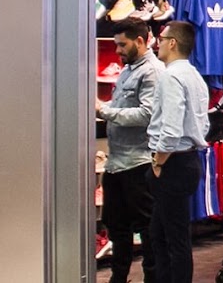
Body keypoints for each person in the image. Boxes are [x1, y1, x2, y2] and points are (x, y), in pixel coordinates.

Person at [96, 21, 163, 283]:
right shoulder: (128, 70)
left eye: (122, 45)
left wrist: (103, 110)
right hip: (117, 162)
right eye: (116, 45)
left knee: (147, 228)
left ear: (140, 41)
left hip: (139, 162)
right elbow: (124, 105)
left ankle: (152, 278)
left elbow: (147, 114)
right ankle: (119, 277)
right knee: (116, 225)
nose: (118, 50)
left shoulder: (152, 72)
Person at [146, 21, 211, 283]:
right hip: (188, 159)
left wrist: (159, 161)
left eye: (161, 39)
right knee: (162, 234)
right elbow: (203, 123)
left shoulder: (171, 77)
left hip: (173, 162)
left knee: (173, 239)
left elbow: (171, 129)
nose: (157, 44)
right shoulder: (194, 76)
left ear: (172, 43)